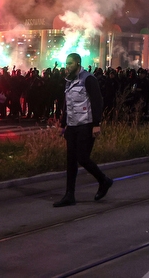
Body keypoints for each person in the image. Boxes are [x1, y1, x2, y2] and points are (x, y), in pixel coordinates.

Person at [54, 53, 114, 207]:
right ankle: (69, 195)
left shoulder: (88, 79)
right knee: (71, 161)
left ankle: (103, 180)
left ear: (78, 63)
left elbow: (97, 101)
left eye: (70, 63)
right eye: (66, 63)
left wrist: (96, 124)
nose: (67, 66)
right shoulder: (69, 81)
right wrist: (62, 124)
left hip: (86, 125)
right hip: (72, 126)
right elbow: (67, 104)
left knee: (82, 157)